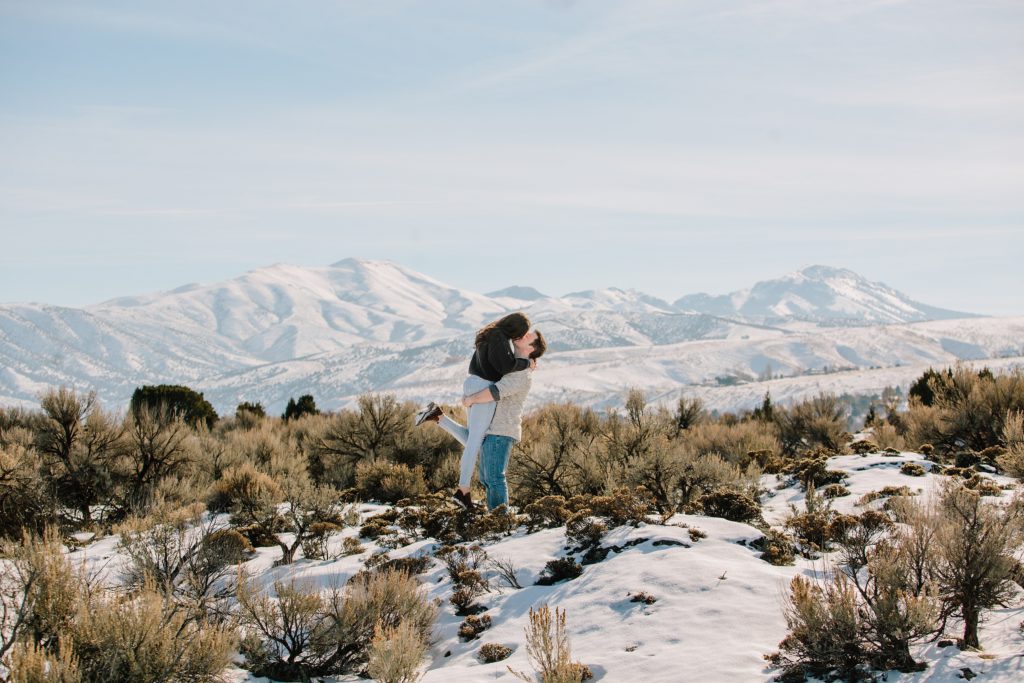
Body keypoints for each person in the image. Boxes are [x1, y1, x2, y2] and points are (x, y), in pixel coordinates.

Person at [415, 312, 536, 509]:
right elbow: (506, 366)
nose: (519, 338)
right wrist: (527, 363)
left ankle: (438, 416)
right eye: (521, 334)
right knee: (475, 443)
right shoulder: (499, 337)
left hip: (473, 383)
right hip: (483, 386)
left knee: (477, 441)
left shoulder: (491, 333)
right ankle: (463, 490)